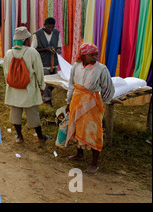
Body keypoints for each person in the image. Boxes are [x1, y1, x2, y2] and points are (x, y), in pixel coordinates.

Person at [65, 43, 115, 174]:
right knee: (77, 127)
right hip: (76, 101)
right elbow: (71, 85)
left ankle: (94, 163)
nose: (95, 57)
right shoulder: (76, 67)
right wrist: (68, 102)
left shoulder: (101, 69)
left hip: (92, 104)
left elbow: (107, 88)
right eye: (91, 55)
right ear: (83, 56)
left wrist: (102, 102)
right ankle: (79, 154)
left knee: (94, 131)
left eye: (96, 55)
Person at [3, 26, 49, 144]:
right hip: (29, 88)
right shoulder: (32, 52)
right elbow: (39, 71)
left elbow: (6, 72)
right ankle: (40, 137)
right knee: (33, 113)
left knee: (15, 114)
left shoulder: (8, 53)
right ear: (25, 40)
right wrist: (41, 86)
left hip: (14, 89)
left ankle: (19, 137)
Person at [32, 17, 62, 107]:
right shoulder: (37, 34)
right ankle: (47, 100)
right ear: (44, 25)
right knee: (46, 82)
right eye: (49, 27)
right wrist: (45, 49)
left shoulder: (57, 33)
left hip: (54, 62)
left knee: (53, 83)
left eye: (52, 27)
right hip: (43, 63)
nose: (51, 29)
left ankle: (46, 96)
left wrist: (58, 50)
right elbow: (33, 49)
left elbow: (59, 46)